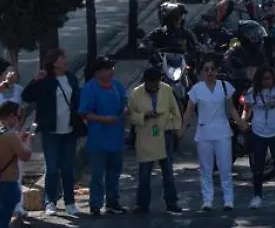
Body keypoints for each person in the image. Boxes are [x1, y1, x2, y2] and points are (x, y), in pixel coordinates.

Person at [22, 48, 83, 216]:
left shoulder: (71, 77)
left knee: (68, 168)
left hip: (70, 130)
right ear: (55, 61)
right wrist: (35, 81)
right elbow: (26, 96)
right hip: (51, 131)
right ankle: (51, 202)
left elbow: (77, 98)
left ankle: (70, 202)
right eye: (62, 57)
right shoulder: (45, 79)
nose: (65, 60)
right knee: (53, 168)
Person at [183, 54, 245, 210]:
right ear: (202, 72)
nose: (209, 72)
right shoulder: (196, 90)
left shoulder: (224, 86)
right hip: (204, 133)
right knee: (206, 169)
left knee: (225, 167)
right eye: (206, 70)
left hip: (223, 132)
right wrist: (182, 129)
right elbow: (189, 111)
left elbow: (231, 108)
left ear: (217, 71)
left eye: (212, 69)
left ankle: (228, 200)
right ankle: (207, 200)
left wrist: (240, 122)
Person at [127, 67, 182, 213]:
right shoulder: (136, 93)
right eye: (150, 85)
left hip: (164, 133)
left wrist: (177, 130)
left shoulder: (166, 90)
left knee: (168, 171)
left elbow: (175, 111)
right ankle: (142, 204)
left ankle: (172, 202)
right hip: (146, 135)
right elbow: (130, 116)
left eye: (156, 84)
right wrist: (144, 116)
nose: (153, 87)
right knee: (145, 173)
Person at [79, 56, 128, 215]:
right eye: (108, 69)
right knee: (97, 174)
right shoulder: (90, 88)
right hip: (99, 137)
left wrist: (125, 111)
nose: (111, 71)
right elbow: (85, 114)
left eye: (111, 68)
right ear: (98, 72)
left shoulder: (117, 86)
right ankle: (95, 204)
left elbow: (124, 102)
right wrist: (103, 119)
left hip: (116, 135)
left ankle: (113, 202)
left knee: (114, 172)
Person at [243, 65, 275, 209]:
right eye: (264, 79)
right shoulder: (252, 92)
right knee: (257, 167)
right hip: (258, 133)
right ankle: (257, 196)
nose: (267, 82)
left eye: (270, 79)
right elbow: (246, 110)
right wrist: (244, 121)